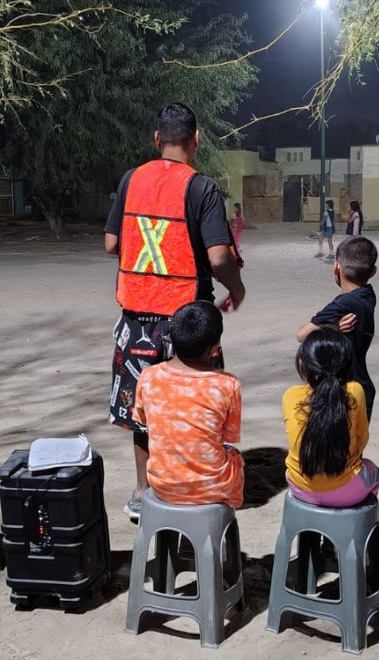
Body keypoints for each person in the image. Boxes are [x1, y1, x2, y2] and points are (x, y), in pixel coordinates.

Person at [104, 102, 247, 519]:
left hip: (136, 319)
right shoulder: (201, 188)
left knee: (140, 406)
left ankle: (142, 491)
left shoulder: (132, 180)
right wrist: (236, 288)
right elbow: (219, 257)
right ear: (196, 140)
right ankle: (200, 483)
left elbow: (112, 244)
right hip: (189, 321)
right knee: (203, 402)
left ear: (156, 139)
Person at [133, 301, 244, 509]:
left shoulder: (149, 377)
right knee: (234, 456)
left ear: (170, 340)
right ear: (215, 349)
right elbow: (229, 437)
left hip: (162, 486)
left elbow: (143, 422)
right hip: (212, 489)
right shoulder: (228, 384)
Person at [283, 328, 379, 507]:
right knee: (375, 473)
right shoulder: (354, 390)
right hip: (348, 490)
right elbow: (362, 439)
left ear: (302, 364)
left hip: (300, 488)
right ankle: (358, 523)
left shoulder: (290, 395)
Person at [297, 236, 378, 420]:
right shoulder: (368, 295)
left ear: (336, 267)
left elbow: (301, 335)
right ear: (373, 271)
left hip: (341, 392)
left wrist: (333, 326)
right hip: (363, 389)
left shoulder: (342, 304)